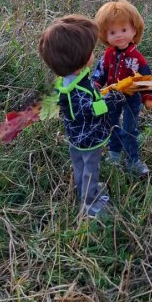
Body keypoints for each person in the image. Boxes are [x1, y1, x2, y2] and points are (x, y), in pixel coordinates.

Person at [38, 14, 115, 218]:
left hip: (75, 138)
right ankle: (90, 204)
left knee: (79, 164)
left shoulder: (66, 82)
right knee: (90, 167)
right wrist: (110, 101)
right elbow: (92, 110)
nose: (93, 53)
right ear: (80, 58)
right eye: (90, 51)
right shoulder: (78, 92)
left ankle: (83, 190)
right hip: (89, 139)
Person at [92, 0, 152, 176]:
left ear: (135, 30)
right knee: (111, 124)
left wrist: (147, 96)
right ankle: (114, 154)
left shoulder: (137, 58)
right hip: (112, 95)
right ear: (105, 34)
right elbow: (100, 72)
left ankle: (133, 160)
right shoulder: (108, 55)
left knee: (130, 128)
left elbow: (146, 78)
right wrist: (95, 85)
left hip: (131, 97)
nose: (119, 35)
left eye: (124, 30)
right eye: (112, 32)